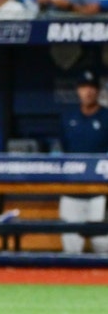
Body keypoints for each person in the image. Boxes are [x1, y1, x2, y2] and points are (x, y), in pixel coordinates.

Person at [58, 69, 108, 254]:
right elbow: (64, 150)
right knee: (71, 247)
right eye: (84, 87)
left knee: (103, 245)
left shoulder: (106, 117)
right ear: (78, 90)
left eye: (92, 87)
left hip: (100, 191)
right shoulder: (68, 118)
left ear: (98, 91)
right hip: (72, 189)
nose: (88, 91)